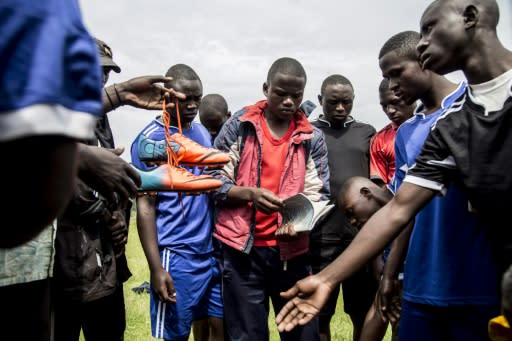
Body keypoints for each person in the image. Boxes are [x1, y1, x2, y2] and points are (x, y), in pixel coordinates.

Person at [276, 3, 511, 333]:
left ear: (470, 17)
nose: (423, 42)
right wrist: (327, 279)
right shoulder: (452, 125)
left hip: (484, 287)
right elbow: (400, 208)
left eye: (430, 28)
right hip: (431, 286)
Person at [53, 37, 182, 341]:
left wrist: (119, 214)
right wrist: (104, 215)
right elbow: (62, 176)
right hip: (64, 267)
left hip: (104, 263)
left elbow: (107, 178)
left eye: (106, 73)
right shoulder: (49, 116)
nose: (99, 78)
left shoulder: (99, 120)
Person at [207, 57, 330, 341]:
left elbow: (319, 192)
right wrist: (248, 193)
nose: (289, 101)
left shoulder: (312, 137)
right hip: (242, 253)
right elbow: (212, 180)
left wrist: (300, 223)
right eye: (281, 93)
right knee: (247, 335)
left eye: (296, 95)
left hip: (293, 254)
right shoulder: (239, 126)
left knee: (302, 334)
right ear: (266, 88)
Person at [133, 64, 224, 341]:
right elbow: (145, 207)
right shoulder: (149, 141)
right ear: (166, 97)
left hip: (210, 252)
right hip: (176, 255)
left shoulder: (201, 133)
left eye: (198, 98)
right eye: (186, 99)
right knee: (177, 334)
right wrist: (156, 268)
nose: (193, 105)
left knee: (219, 327)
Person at [309, 74, 376, 341]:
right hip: (320, 236)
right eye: (333, 102)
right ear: (320, 100)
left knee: (360, 311)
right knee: (319, 312)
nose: (340, 108)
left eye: (346, 102)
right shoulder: (309, 132)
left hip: (360, 238)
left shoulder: (366, 132)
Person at [369, 79, 415, 187]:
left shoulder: (435, 126)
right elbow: (380, 188)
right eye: (384, 106)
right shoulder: (379, 140)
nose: (390, 110)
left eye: (395, 102)